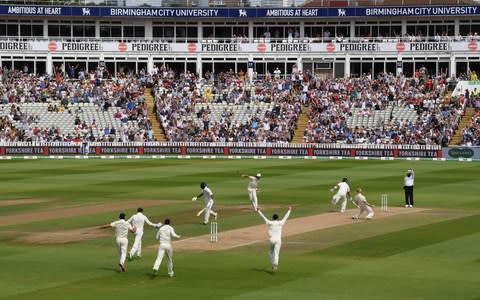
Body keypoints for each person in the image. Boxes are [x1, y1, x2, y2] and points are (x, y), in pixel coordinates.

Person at [256, 206, 292, 272]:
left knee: (270, 252)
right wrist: (289, 210)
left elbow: (263, 217)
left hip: (272, 240)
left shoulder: (270, 222)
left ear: (272, 218)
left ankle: (273, 264)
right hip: (278, 240)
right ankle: (275, 264)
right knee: (276, 253)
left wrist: (259, 211)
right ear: (278, 218)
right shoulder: (280, 223)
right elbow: (285, 217)